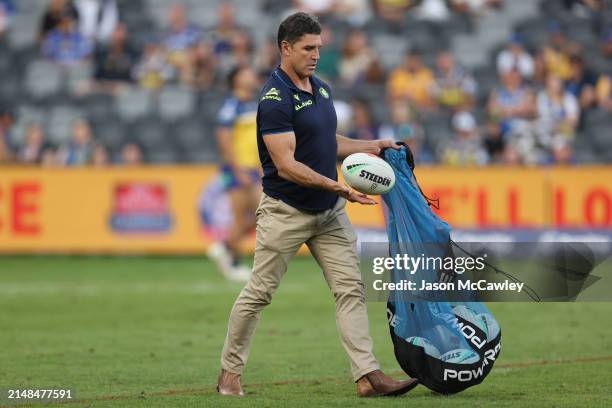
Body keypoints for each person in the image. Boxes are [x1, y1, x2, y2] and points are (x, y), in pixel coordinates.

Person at [217, 12, 419, 398]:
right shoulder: (274, 100)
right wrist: (339, 187)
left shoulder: (321, 90)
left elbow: (329, 141)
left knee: (351, 290)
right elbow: (286, 164)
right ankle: (229, 373)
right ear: (286, 48)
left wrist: (370, 145)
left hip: (328, 214)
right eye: (308, 48)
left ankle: (367, 375)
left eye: (319, 48)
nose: (315, 55)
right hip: (285, 212)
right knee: (259, 293)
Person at [208, 66, 261, 282]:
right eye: (246, 73)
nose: (252, 75)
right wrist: (238, 170)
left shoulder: (254, 104)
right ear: (236, 81)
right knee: (242, 217)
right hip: (238, 169)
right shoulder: (232, 106)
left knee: (263, 214)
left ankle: (224, 247)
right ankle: (234, 261)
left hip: (253, 169)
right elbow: (223, 138)